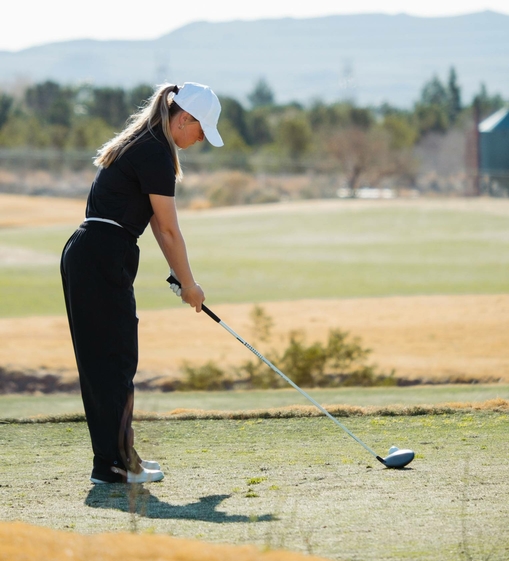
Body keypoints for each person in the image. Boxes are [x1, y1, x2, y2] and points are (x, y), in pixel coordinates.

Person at [60, 82, 223, 484]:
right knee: (111, 363)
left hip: (98, 253)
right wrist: (190, 284)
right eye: (201, 130)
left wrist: (183, 278)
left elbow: (153, 222)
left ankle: (120, 457)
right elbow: (167, 228)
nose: (200, 139)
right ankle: (113, 465)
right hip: (100, 255)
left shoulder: (148, 143)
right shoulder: (154, 151)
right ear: (184, 118)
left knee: (115, 359)